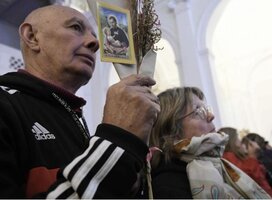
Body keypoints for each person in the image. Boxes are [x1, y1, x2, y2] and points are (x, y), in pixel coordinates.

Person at [0, 5, 160, 199]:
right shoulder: (6, 104)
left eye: (94, 34)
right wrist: (117, 141)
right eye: (76, 27)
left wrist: (127, 173)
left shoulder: (71, 113)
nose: (95, 42)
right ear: (32, 37)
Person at [149, 87, 271, 199]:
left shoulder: (218, 164)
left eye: (206, 109)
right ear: (172, 130)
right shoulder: (168, 186)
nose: (211, 116)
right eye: (198, 111)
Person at [220, 127, 272, 198]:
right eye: (237, 137)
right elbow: (247, 177)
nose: (240, 140)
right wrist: (252, 156)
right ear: (231, 140)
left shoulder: (233, 155)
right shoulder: (228, 156)